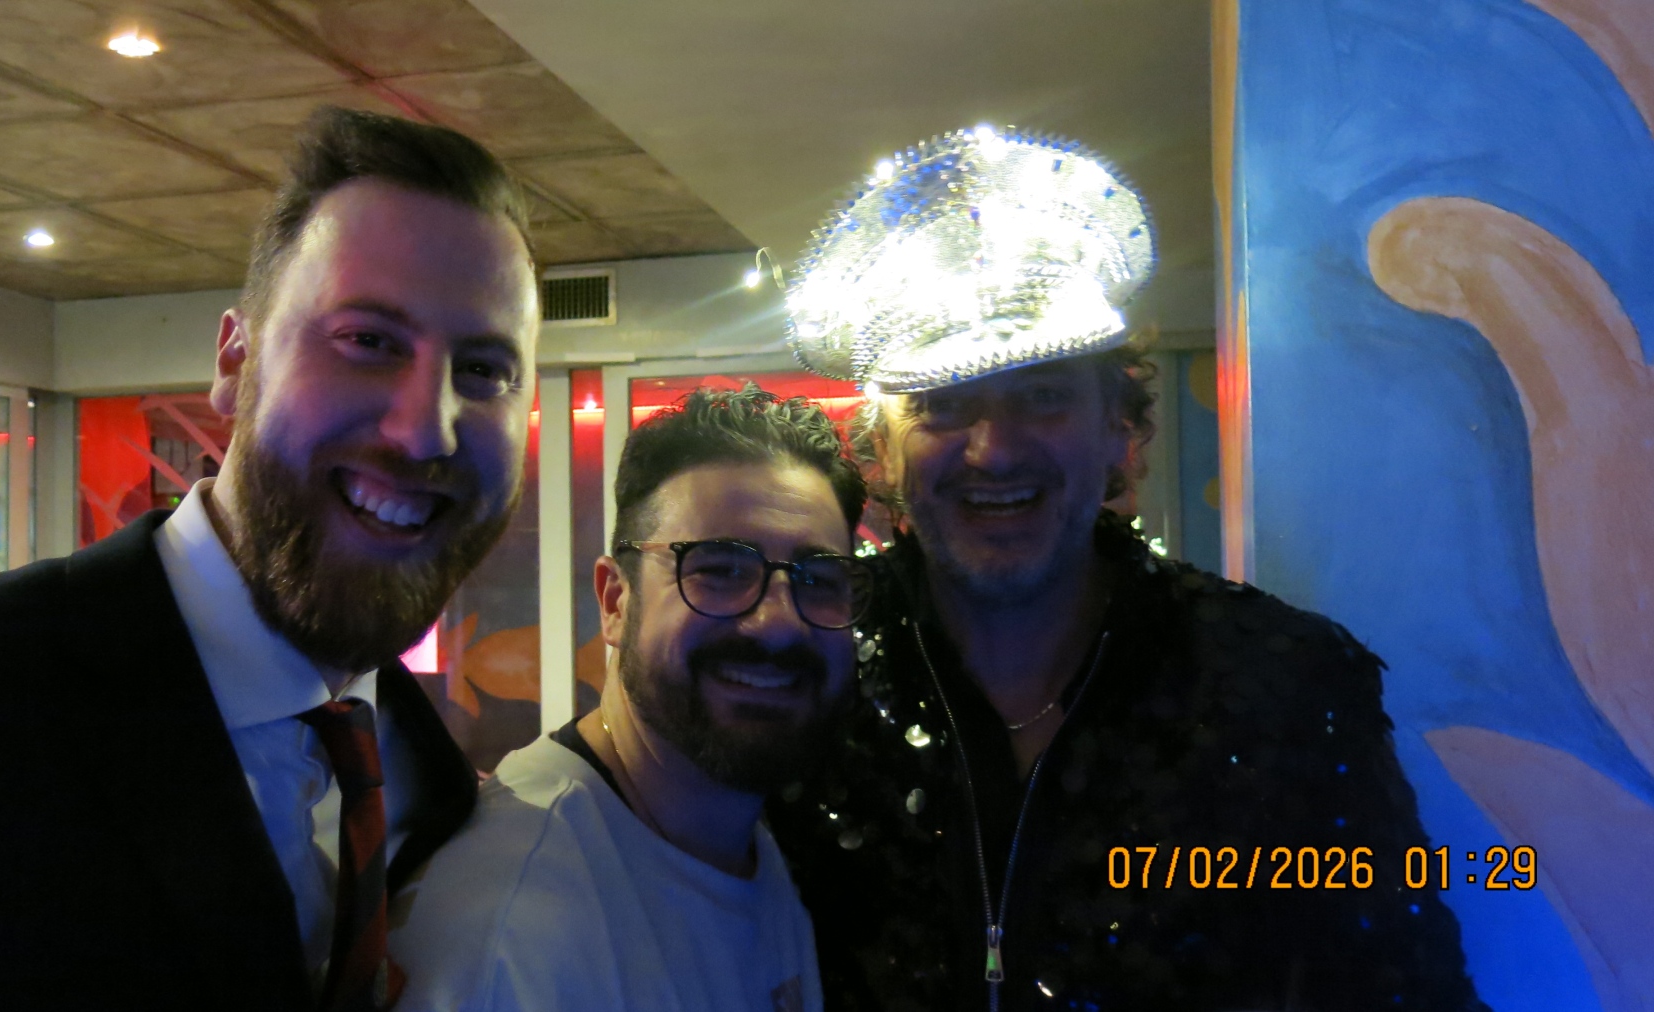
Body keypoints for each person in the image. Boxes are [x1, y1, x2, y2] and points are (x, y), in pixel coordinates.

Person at [768, 127, 1487, 1011]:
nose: (994, 450)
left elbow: (1400, 991)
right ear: (882, 449)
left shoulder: (1280, 684)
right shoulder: (803, 667)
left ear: (1119, 427)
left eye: (1043, 395)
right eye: (943, 405)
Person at [0, 107, 539, 1012]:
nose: (424, 432)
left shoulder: (434, 787)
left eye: (484, 371)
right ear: (235, 357)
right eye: (368, 341)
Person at [390, 387, 870, 1012]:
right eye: (720, 570)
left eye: (820, 580)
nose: (779, 624)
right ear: (615, 601)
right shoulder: (509, 933)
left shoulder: (740, 839)